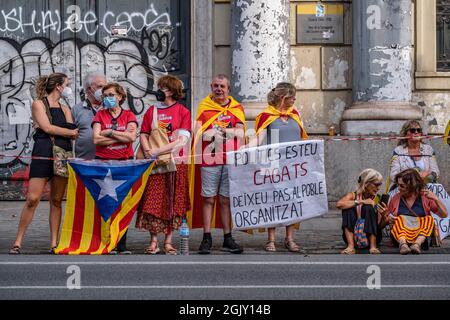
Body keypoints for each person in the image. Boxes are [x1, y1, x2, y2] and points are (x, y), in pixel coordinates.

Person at [9, 73, 79, 254]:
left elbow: (73, 132)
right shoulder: (39, 104)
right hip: (43, 153)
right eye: (67, 84)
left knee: (56, 200)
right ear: (58, 86)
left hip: (63, 154)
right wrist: (63, 131)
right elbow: (51, 128)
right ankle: (18, 241)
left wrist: (57, 130)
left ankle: (54, 242)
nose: (68, 88)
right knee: (33, 199)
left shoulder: (65, 109)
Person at [246, 82, 308, 252]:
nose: (295, 99)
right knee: (272, 201)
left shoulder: (296, 113)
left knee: (292, 200)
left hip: (293, 164)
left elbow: (302, 137)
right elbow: (258, 138)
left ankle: (289, 238)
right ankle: (271, 239)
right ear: (283, 97)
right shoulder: (266, 116)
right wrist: (246, 149)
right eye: (292, 96)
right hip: (272, 163)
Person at [135, 75, 191, 255]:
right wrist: (147, 150)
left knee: (173, 202)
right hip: (155, 163)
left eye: (162, 87)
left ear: (171, 91)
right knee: (153, 201)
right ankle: (153, 241)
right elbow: (143, 133)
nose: (159, 90)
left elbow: (182, 140)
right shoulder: (152, 111)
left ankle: (168, 241)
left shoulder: (183, 112)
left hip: (175, 163)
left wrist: (158, 151)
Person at [191, 74, 246, 254]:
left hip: (230, 159)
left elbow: (239, 133)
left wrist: (219, 131)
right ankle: (207, 237)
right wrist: (225, 133)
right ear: (211, 87)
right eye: (215, 86)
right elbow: (200, 134)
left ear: (228, 89)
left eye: (222, 86)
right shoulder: (204, 108)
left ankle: (227, 238)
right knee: (208, 198)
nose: (219, 89)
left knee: (225, 200)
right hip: (210, 159)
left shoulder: (237, 108)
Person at [92, 82, 138, 254]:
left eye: (111, 95)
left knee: (122, 204)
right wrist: (121, 137)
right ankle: (106, 242)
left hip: (124, 164)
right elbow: (96, 140)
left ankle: (121, 243)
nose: (108, 99)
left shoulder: (129, 115)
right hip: (103, 164)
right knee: (106, 203)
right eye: (105, 96)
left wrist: (109, 133)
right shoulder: (100, 115)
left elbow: (132, 137)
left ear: (120, 96)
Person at [386, 169, 447, 255]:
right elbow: (385, 219)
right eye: (398, 185)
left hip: (421, 237)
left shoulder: (425, 197)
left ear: (412, 186)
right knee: (399, 219)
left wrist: (436, 199)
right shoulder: (396, 198)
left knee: (429, 219)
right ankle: (403, 245)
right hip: (401, 237)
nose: (399, 188)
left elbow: (444, 214)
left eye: (402, 186)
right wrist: (388, 218)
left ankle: (416, 244)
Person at [336, 169, 386, 255]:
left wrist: (384, 216)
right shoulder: (353, 195)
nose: (378, 188)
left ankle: (373, 246)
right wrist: (360, 202)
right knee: (348, 207)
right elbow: (339, 204)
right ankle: (351, 246)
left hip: (373, 236)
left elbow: (380, 226)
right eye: (376, 185)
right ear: (366, 184)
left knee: (368, 208)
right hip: (354, 236)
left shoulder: (378, 198)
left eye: (380, 185)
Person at [389, 120, 439, 190]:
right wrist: (411, 177)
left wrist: (427, 175)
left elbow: (436, 172)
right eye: (412, 130)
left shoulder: (429, 149)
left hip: (426, 187)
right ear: (405, 134)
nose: (416, 132)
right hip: (405, 188)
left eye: (419, 130)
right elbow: (393, 175)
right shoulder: (398, 151)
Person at [71, 73, 107, 159]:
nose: (104, 91)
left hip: (109, 162)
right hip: (84, 162)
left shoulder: (112, 108)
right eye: (100, 86)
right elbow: (70, 136)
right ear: (88, 89)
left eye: (105, 87)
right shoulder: (76, 110)